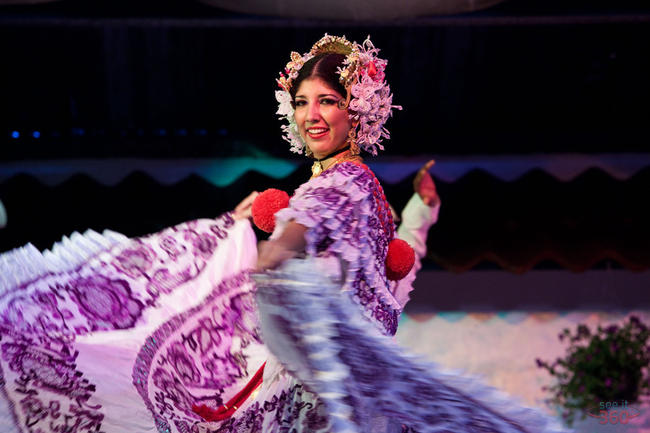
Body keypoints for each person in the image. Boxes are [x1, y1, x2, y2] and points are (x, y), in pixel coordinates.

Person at [0, 35, 567, 433]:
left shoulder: (348, 183)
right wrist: (423, 209)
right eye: (301, 102)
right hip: (338, 390)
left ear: (358, 112)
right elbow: (404, 260)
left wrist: (280, 243)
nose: (310, 114)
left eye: (327, 100)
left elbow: (317, 211)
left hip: (320, 391)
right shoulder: (373, 209)